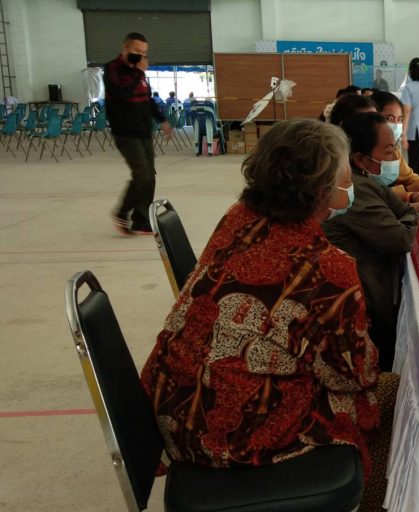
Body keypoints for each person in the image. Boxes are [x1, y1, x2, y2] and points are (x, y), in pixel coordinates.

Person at [140, 119, 396, 510]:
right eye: (345, 176)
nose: (351, 183)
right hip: (234, 434)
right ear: (322, 190)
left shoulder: (238, 217)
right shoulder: (329, 267)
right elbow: (354, 374)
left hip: (175, 412)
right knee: (391, 401)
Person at [323, 112, 418, 372]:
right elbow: (402, 237)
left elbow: (403, 213)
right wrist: (411, 217)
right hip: (369, 302)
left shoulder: (368, 182)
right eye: (389, 151)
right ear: (360, 159)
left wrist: (408, 215)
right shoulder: (353, 189)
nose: (395, 157)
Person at [105, 32, 171, 236]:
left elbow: (147, 99)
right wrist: (137, 72)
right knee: (141, 175)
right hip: (125, 132)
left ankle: (142, 220)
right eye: (137, 51)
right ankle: (122, 211)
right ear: (125, 48)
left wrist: (162, 119)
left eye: (144, 53)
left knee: (149, 176)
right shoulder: (112, 69)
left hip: (144, 132)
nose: (141, 56)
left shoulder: (139, 73)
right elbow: (120, 93)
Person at [369, 91, 419, 207]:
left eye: (399, 119)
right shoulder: (364, 151)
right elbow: (368, 195)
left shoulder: (393, 147)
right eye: (389, 118)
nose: (396, 125)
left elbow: (408, 176)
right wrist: (407, 190)